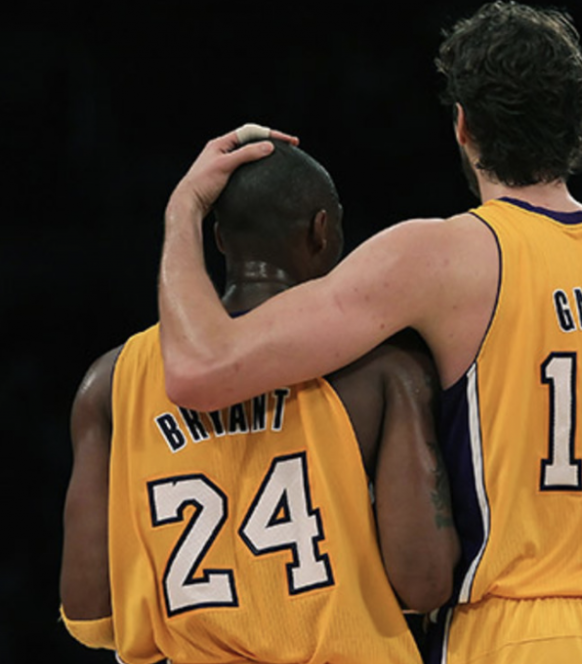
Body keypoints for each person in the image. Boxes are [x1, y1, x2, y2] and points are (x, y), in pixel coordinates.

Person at [157, 2, 582, 662]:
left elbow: (200, 370)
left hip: (518, 632)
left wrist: (184, 208)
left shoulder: (445, 255)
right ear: (577, 124)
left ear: (463, 125)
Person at [60, 135, 459, 664]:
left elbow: (89, 612)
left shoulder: (110, 383)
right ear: (322, 231)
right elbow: (425, 583)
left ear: (219, 239)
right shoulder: (380, 372)